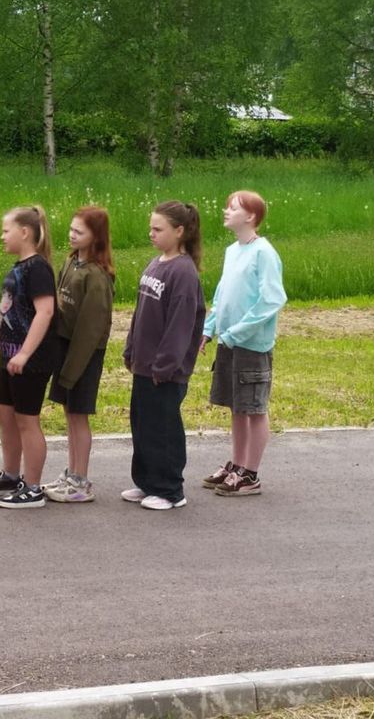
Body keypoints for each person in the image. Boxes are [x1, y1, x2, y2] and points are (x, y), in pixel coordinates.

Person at [200, 190, 286, 496]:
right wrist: (209, 329)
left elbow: (272, 299)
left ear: (250, 216)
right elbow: (222, 294)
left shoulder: (264, 252)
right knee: (236, 407)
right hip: (229, 342)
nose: (226, 211)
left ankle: (250, 474)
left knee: (254, 409)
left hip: (251, 345)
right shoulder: (232, 251)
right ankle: (236, 465)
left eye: (232, 208)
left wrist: (237, 332)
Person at [122, 201, 205, 511]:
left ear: (179, 231)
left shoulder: (183, 271)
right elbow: (140, 313)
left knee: (164, 429)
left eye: (158, 229)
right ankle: (148, 482)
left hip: (165, 371)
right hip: (144, 365)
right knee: (143, 424)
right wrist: (131, 349)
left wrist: (165, 365)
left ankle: (170, 490)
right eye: (151, 228)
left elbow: (180, 325)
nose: (151, 233)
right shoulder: (155, 263)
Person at [0, 206, 57, 509]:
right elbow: (14, 314)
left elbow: (44, 312)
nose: (2, 236)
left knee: (27, 420)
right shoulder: (19, 267)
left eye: (5, 230)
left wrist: (24, 353)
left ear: (24, 232)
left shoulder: (38, 268)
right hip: (9, 356)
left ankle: (32, 487)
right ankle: (10, 475)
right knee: (4, 412)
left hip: (31, 359)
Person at [42, 206, 115, 504]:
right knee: (69, 414)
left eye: (79, 232)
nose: (72, 235)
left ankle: (81, 481)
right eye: (71, 229)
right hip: (65, 348)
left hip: (84, 354)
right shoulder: (72, 262)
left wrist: (73, 367)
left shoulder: (97, 276)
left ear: (96, 236)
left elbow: (91, 328)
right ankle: (71, 473)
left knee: (79, 415)